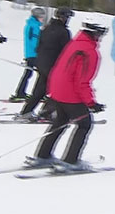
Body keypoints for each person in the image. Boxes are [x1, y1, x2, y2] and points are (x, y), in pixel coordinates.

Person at [28, 16, 108, 171]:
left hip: (57, 90)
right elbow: (82, 81)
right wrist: (91, 103)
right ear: (94, 33)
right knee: (84, 124)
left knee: (60, 122)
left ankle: (43, 155)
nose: (101, 37)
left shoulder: (74, 43)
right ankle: (71, 161)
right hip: (70, 94)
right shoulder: (89, 51)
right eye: (100, 33)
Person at [14, 7, 73, 122]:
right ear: (63, 18)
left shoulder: (45, 28)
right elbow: (67, 52)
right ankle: (47, 111)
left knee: (39, 90)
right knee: (59, 89)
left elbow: (38, 46)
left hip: (41, 63)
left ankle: (26, 111)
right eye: (67, 17)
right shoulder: (63, 32)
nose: (68, 20)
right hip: (54, 66)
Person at [10, 7, 45, 101]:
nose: (43, 18)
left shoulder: (31, 25)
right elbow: (34, 41)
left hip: (30, 54)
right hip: (34, 54)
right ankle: (39, 94)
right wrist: (40, 49)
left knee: (28, 73)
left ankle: (20, 92)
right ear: (37, 16)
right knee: (43, 74)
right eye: (41, 16)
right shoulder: (34, 26)